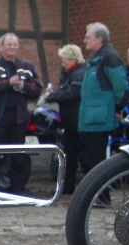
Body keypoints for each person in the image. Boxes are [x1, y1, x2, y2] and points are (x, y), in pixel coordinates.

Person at [0, 33, 42, 194]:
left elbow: (37, 90)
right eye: (9, 44)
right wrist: (7, 83)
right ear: (1, 47)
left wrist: (23, 86)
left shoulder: (27, 67)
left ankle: (17, 190)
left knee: (19, 156)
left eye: (15, 44)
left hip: (19, 119)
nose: (12, 47)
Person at [78, 23, 128, 178]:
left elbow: (121, 88)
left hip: (100, 119)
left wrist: (118, 109)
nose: (85, 40)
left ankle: (102, 198)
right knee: (87, 160)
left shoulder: (110, 57)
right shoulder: (95, 59)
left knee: (97, 162)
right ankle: (97, 198)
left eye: (88, 37)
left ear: (99, 39)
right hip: (89, 119)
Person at [42, 45, 86, 195]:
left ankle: (71, 189)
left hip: (75, 122)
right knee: (70, 156)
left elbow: (72, 94)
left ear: (73, 59)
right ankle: (68, 188)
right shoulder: (72, 74)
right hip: (71, 121)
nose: (62, 64)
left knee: (73, 155)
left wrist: (52, 96)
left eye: (64, 60)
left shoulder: (78, 74)